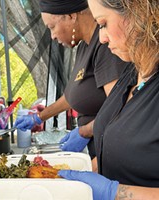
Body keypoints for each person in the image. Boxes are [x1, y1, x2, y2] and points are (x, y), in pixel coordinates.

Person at [58, 0, 159, 199]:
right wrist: (85, 171)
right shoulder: (132, 72)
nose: (102, 38)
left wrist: (116, 193)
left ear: (139, 13)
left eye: (103, 24)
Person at [14, 0, 132, 165]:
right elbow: (73, 96)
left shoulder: (106, 47)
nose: (53, 36)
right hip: (97, 148)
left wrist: (85, 132)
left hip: (112, 152)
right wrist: (39, 118)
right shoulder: (84, 46)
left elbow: (121, 108)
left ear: (70, 16)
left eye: (52, 27)